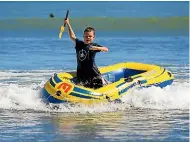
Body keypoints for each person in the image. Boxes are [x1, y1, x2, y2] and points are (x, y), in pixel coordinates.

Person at [64, 18, 109, 89]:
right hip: (81, 75)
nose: (88, 37)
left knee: (100, 90)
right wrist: (68, 23)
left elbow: (106, 49)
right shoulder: (79, 44)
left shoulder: (94, 45)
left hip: (94, 74)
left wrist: (97, 48)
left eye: (90, 36)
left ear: (93, 37)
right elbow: (72, 36)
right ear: (83, 36)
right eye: (86, 36)